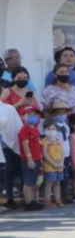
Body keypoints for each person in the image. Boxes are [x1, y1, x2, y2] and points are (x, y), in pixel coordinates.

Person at [17, 106, 44, 211]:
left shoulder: (34, 128)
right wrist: (29, 159)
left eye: (34, 114)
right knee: (28, 182)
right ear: (23, 116)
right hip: (29, 159)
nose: (33, 116)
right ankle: (28, 203)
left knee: (33, 182)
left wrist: (40, 157)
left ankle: (33, 201)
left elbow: (37, 144)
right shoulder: (24, 129)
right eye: (29, 114)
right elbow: (25, 144)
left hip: (37, 158)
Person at [0, 81, 21, 209]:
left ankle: (9, 198)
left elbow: (16, 127)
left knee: (8, 173)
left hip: (7, 146)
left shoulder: (9, 108)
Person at [41, 117, 66, 207]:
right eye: (49, 129)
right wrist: (53, 163)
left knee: (57, 183)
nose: (51, 131)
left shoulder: (58, 141)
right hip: (50, 165)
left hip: (59, 165)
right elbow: (45, 154)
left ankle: (58, 199)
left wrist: (61, 163)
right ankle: (47, 200)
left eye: (53, 129)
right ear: (45, 130)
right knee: (50, 183)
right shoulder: (44, 141)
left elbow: (62, 152)